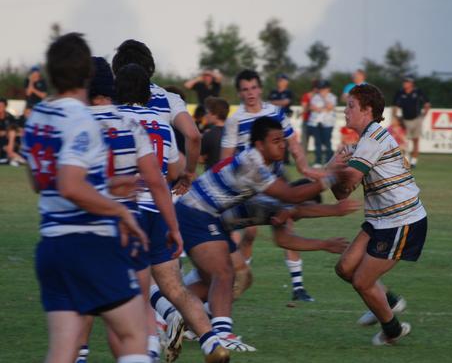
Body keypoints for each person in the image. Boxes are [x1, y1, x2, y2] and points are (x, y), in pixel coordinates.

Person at [21, 32, 150, 363]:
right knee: (135, 333)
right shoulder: (81, 119)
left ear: (51, 73)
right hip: (89, 244)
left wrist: (106, 185)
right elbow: (70, 186)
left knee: (64, 350)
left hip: (51, 247)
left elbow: (42, 183)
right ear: (87, 74)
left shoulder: (36, 119)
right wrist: (119, 212)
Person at [175, 117, 340, 350]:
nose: (282, 145)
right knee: (223, 275)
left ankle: (172, 317)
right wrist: (333, 178)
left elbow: (291, 208)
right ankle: (220, 334)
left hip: (212, 217)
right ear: (260, 145)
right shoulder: (253, 165)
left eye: (283, 140)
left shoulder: (271, 166)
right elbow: (292, 198)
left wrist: (333, 210)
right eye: (276, 141)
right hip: (196, 212)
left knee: (228, 278)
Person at [112, 64, 229, 362]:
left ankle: (148, 351)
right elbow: (174, 170)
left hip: (131, 213)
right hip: (160, 213)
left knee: (136, 289)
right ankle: (212, 342)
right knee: (175, 288)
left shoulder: (113, 120)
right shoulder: (160, 122)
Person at [333, 83, 427, 346]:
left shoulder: (373, 139)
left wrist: (328, 171)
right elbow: (341, 193)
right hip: (380, 218)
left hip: (401, 219)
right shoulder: (363, 142)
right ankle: (389, 303)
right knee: (345, 268)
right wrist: (333, 172)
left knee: (362, 281)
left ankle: (392, 330)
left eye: (351, 106)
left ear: (368, 110)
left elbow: (348, 181)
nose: (345, 111)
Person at [221, 69, 322, 302]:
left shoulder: (275, 112)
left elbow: (294, 144)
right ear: (239, 93)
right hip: (247, 184)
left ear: (260, 89)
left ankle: (298, 287)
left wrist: (305, 168)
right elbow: (225, 159)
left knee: (286, 226)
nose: (250, 93)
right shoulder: (234, 120)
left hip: (276, 179)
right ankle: (239, 281)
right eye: (245, 89)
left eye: (254, 88)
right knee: (249, 234)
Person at [112, 39, 201, 196]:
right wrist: (188, 173)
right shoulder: (169, 98)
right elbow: (193, 135)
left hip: (118, 192)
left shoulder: (107, 98)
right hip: (157, 192)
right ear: (149, 67)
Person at [392, 76, 430, 168]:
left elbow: (427, 104)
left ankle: (414, 161)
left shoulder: (418, 92)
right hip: (405, 120)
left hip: (416, 119)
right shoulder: (400, 92)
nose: (404, 83)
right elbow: (395, 106)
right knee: (404, 141)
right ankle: (406, 160)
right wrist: (396, 117)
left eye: (407, 82)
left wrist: (424, 115)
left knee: (416, 141)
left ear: (411, 83)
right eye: (404, 82)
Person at [308, 80, 337, 167]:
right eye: (320, 89)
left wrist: (324, 99)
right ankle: (318, 161)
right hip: (315, 123)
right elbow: (312, 107)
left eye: (323, 89)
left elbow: (330, 107)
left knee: (327, 142)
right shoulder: (315, 97)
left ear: (328, 89)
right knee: (318, 142)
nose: (321, 91)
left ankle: (329, 160)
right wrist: (322, 108)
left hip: (328, 123)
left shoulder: (332, 97)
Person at [268, 73, 294, 164]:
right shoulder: (273, 92)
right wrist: (280, 102)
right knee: (274, 138)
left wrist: (275, 103)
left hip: (285, 117)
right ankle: (275, 157)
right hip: (274, 118)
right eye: (278, 80)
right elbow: (270, 103)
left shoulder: (288, 92)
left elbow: (286, 102)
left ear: (286, 82)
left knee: (286, 139)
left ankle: (285, 159)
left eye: (281, 80)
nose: (279, 82)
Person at [201, 96, 229, 170]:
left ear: (215, 114)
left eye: (207, 112)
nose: (205, 115)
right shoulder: (233, 132)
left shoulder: (209, 134)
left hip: (212, 176)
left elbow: (200, 158)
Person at [300, 79, 319, 152]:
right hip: (307, 120)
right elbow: (304, 109)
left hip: (317, 121)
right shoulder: (306, 96)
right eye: (315, 87)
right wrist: (311, 107)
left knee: (318, 141)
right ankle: (303, 157)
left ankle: (318, 160)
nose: (317, 89)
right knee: (304, 141)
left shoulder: (321, 97)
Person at [0, 97, 17, 164]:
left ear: (5, 107)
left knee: (12, 134)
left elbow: (15, 130)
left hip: (9, 141)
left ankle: (9, 157)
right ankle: (12, 159)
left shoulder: (10, 117)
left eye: (1, 106)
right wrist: (6, 132)